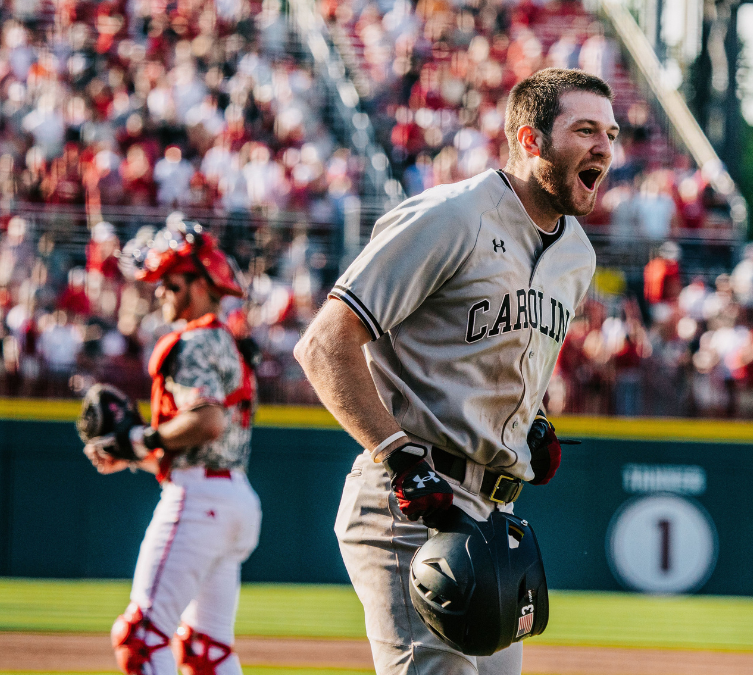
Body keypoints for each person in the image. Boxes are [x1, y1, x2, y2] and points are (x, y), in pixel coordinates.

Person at [295, 68, 614, 675]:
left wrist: (532, 422)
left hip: (491, 514)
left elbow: (494, 356)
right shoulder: (452, 216)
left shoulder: (576, 253)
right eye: (585, 129)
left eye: (612, 132)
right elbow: (324, 343)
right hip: (411, 501)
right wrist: (398, 458)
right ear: (530, 140)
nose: (604, 147)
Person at [83, 219, 260, 675]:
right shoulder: (227, 341)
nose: (159, 289)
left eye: (169, 281)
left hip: (200, 501)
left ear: (199, 284)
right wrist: (135, 453)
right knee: (206, 650)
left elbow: (206, 421)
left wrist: (140, 438)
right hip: (232, 498)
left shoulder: (195, 340)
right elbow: (203, 442)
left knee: (140, 638)